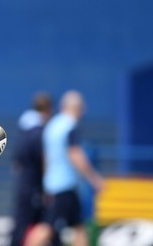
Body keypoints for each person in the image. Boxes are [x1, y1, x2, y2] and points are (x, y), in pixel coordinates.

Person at [25, 90, 104, 246]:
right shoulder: (70, 126)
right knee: (47, 228)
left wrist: (46, 181)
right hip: (64, 186)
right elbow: (75, 154)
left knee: (79, 227)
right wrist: (94, 179)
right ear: (78, 108)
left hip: (56, 184)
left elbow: (45, 158)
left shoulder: (53, 125)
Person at [10, 92, 52, 246]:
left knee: (22, 223)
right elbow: (43, 160)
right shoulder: (39, 133)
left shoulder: (23, 130)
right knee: (37, 224)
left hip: (24, 183)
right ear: (48, 110)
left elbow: (16, 163)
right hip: (34, 185)